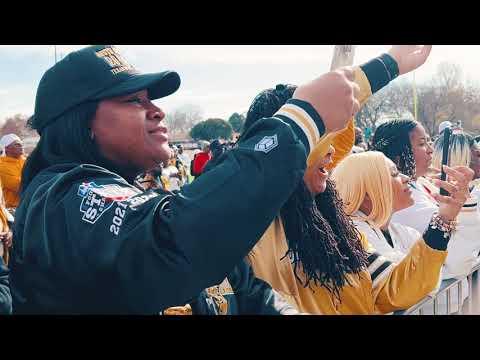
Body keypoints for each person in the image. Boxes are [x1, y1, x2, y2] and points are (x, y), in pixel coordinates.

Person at [9, 44, 359, 314]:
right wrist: (301, 121)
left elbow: (247, 292)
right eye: (134, 100)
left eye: (151, 99)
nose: (158, 110)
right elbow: (173, 241)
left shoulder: (141, 199)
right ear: (82, 123)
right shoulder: (58, 200)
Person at [247, 46, 447, 314]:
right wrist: (381, 68)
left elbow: (393, 290)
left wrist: (443, 222)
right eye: (320, 136)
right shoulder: (249, 232)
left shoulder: (333, 227)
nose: (332, 152)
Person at [372, 120, 480, 279]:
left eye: (429, 142)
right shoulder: (405, 199)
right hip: (437, 299)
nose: (430, 150)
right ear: (398, 154)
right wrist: (466, 203)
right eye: (422, 144)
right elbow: (454, 253)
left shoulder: (420, 184)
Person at [0, 134, 26, 210]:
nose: (21, 146)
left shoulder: (27, 161)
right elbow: (19, 187)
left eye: (21, 144)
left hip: (30, 204)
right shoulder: (1, 166)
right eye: (17, 144)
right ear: (6, 148)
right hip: (12, 209)